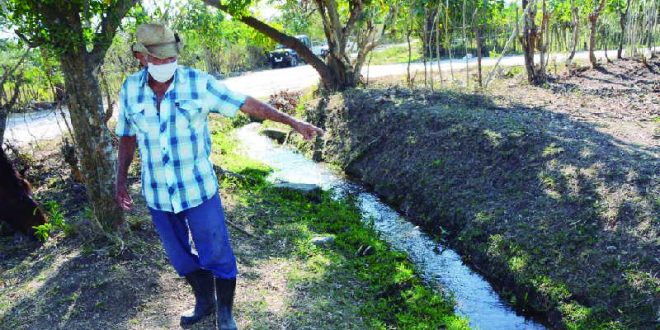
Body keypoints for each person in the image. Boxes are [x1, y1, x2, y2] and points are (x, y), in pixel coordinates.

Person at [114, 23, 323, 330]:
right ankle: (204, 301)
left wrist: (290, 121)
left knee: (217, 253)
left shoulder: (197, 83)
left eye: (171, 58)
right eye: (158, 60)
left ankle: (225, 312)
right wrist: (120, 181)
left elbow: (245, 103)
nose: (166, 65)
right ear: (140, 57)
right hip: (158, 193)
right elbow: (127, 136)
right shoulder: (130, 89)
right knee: (180, 258)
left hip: (198, 189)